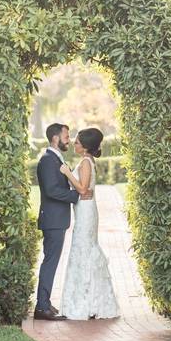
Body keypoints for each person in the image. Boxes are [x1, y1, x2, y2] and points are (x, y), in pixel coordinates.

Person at [57, 127, 120, 320]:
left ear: (85, 147)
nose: (74, 144)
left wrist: (67, 173)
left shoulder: (85, 162)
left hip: (86, 212)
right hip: (86, 209)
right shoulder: (88, 161)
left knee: (83, 250)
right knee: (85, 250)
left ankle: (85, 303)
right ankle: (92, 300)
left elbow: (83, 189)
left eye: (76, 142)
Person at [33, 122, 91, 321]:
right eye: (66, 136)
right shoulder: (48, 160)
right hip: (52, 220)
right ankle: (41, 308)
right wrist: (75, 195)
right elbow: (51, 190)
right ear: (56, 138)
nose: (69, 139)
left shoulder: (56, 158)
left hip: (57, 219)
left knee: (52, 262)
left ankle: (45, 303)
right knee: (50, 262)